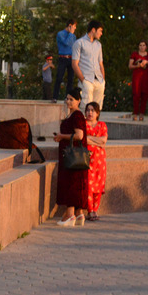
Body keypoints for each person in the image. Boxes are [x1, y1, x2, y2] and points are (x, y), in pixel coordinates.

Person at [53, 88, 89, 226]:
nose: (68, 101)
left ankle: (69, 216)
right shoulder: (73, 115)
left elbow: (79, 135)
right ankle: (79, 214)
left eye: (71, 99)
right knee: (75, 184)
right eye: (67, 99)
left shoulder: (77, 116)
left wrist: (62, 136)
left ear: (78, 101)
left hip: (72, 157)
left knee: (70, 184)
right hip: (71, 157)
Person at [71, 20, 105, 111]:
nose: (101, 33)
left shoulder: (98, 45)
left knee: (97, 108)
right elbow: (74, 64)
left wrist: (103, 80)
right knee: (85, 107)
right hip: (86, 79)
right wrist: (83, 80)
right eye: (100, 31)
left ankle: (95, 125)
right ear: (93, 30)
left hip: (98, 79)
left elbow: (100, 63)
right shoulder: (79, 43)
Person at [83, 101, 108, 221]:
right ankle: (90, 210)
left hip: (99, 161)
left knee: (98, 186)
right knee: (89, 185)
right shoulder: (83, 124)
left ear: (97, 113)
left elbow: (104, 140)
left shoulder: (102, 125)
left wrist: (90, 139)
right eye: (88, 110)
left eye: (92, 110)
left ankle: (95, 209)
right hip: (87, 159)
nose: (90, 113)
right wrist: (96, 141)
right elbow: (84, 140)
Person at [52, 20, 77, 102]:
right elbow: (66, 43)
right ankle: (55, 97)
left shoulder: (73, 36)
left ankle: (68, 97)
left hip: (71, 58)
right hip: (62, 58)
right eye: (74, 26)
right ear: (70, 26)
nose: (75, 28)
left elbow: (74, 46)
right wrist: (70, 33)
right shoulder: (60, 34)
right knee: (59, 77)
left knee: (70, 79)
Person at [129, 41, 148, 121]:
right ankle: (135, 113)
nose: (142, 47)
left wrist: (147, 62)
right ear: (138, 46)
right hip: (137, 77)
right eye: (140, 45)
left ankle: (142, 113)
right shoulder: (135, 54)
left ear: (146, 47)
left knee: (145, 95)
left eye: (143, 45)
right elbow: (130, 66)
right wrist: (137, 65)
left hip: (145, 78)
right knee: (136, 94)